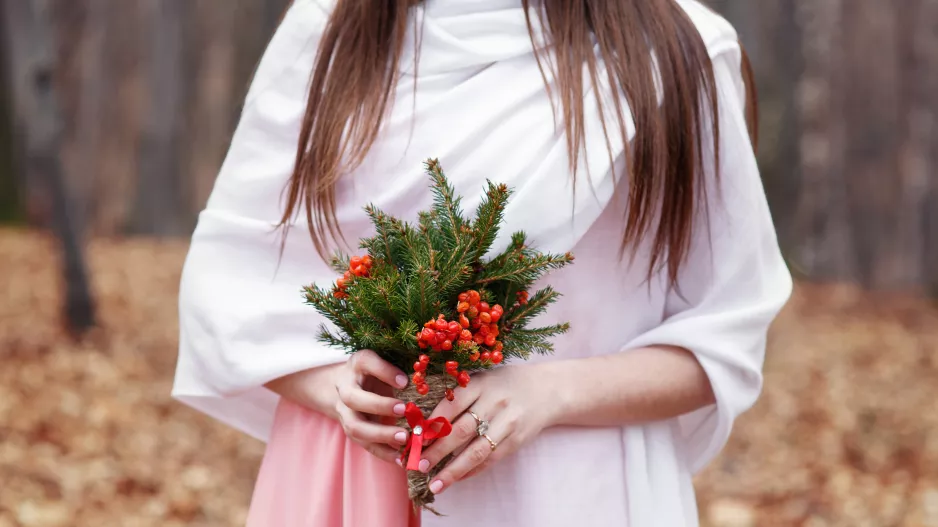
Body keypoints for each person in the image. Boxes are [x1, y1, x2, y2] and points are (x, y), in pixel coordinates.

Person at [172, 0, 792, 525]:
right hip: (343, 480)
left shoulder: (674, 53)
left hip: (573, 489)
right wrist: (340, 392)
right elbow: (231, 285)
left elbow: (724, 338)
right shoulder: (330, 29)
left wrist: (549, 392)